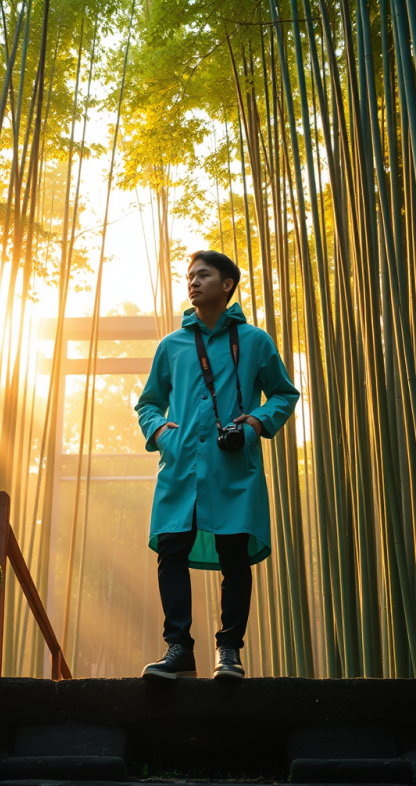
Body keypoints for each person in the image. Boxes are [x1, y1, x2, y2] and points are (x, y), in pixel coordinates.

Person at [134, 250, 300, 681]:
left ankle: (229, 651)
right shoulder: (172, 346)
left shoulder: (255, 341)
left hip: (232, 468)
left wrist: (256, 423)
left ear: (227, 284)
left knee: (234, 557)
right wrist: (161, 432)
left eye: (203, 275)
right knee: (171, 550)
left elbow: (284, 393)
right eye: (189, 276)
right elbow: (148, 403)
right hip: (181, 466)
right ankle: (178, 649)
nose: (192, 282)